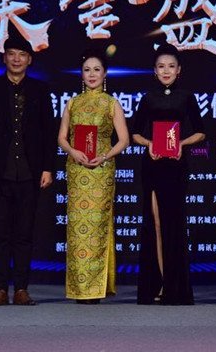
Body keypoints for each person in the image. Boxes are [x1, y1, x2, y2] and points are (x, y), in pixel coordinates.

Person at [0, 36, 56, 306]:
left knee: (24, 234)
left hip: (30, 172)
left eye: (22, 54)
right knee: (0, 233)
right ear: (4, 58)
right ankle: (0, 289)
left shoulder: (40, 90)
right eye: (12, 54)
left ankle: (21, 289)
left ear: (30, 59)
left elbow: (48, 132)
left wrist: (48, 167)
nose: (17, 59)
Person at [132, 44, 205, 305]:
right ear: (154, 70)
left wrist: (182, 144)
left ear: (179, 70)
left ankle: (175, 288)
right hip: (153, 166)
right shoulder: (148, 98)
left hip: (176, 166)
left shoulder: (187, 97)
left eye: (171, 66)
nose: (166, 71)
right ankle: (158, 284)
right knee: (155, 224)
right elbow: (135, 132)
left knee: (174, 225)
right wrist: (149, 144)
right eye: (161, 66)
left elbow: (201, 132)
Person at [57, 49, 129, 304]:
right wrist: (73, 151)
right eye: (87, 70)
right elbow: (61, 137)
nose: (91, 74)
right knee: (77, 230)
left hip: (100, 170)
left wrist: (106, 156)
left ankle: (96, 288)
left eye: (96, 70)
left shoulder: (111, 103)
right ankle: (79, 288)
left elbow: (124, 140)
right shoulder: (72, 103)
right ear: (81, 74)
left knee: (97, 228)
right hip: (77, 170)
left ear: (105, 74)